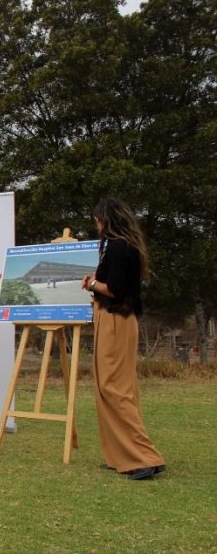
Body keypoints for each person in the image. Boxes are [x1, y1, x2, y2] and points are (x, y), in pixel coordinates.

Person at [81, 198, 166, 480]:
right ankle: (123, 454)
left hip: (115, 320)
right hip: (122, 321)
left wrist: (92, 284)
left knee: (112, 388)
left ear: (107, 219)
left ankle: (143, 456)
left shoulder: (117, 247)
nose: (97, 225)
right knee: (119, 388)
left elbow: (114, 289)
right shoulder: (125, 245)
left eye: (98, 220)